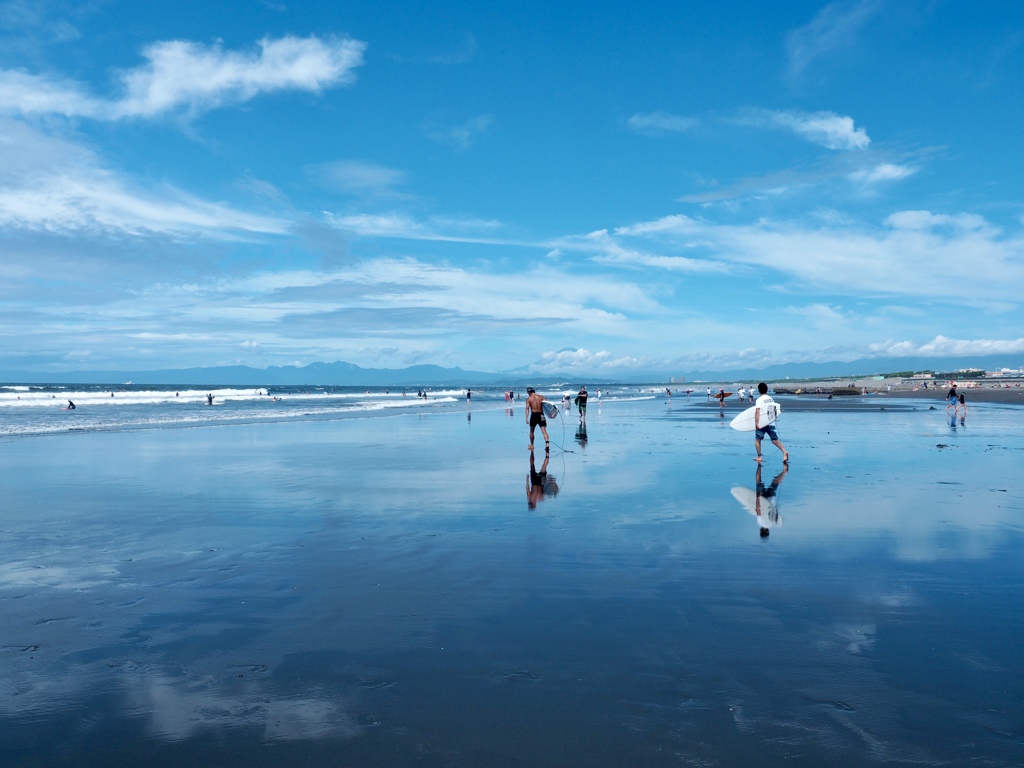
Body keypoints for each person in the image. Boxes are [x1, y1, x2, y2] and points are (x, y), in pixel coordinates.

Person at [754, 382, 789, 464]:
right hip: (770, 422)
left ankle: (759, 457)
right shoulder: (771, 399)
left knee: (757, 440)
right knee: (774, 440)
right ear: (767, 390)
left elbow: (757, 412)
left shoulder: (759, 400)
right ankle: (784, 451)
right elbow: (774, 410)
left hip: (762, 423)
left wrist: (756, 423)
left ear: (759, 390)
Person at [754, 463, 787, 538]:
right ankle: (759, 465)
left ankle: (784, 472)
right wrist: (758, 498)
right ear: (760, 530)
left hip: (772, 499)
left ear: (768, 531)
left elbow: (777, 514)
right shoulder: (760, 523)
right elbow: (758, 510)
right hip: (763, 500)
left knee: (775, 483)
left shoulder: (773, 523)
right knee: (758, 481)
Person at [525, 387, 550, 452]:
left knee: (531, 431)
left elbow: (527, 408)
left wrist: (526, 418)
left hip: (534, 415)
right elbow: (547, 405)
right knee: (544, 431)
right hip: (541, 415)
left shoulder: (529, 399)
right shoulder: (541, 397)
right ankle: (547, 444)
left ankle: (532, 445)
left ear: (529, 392)